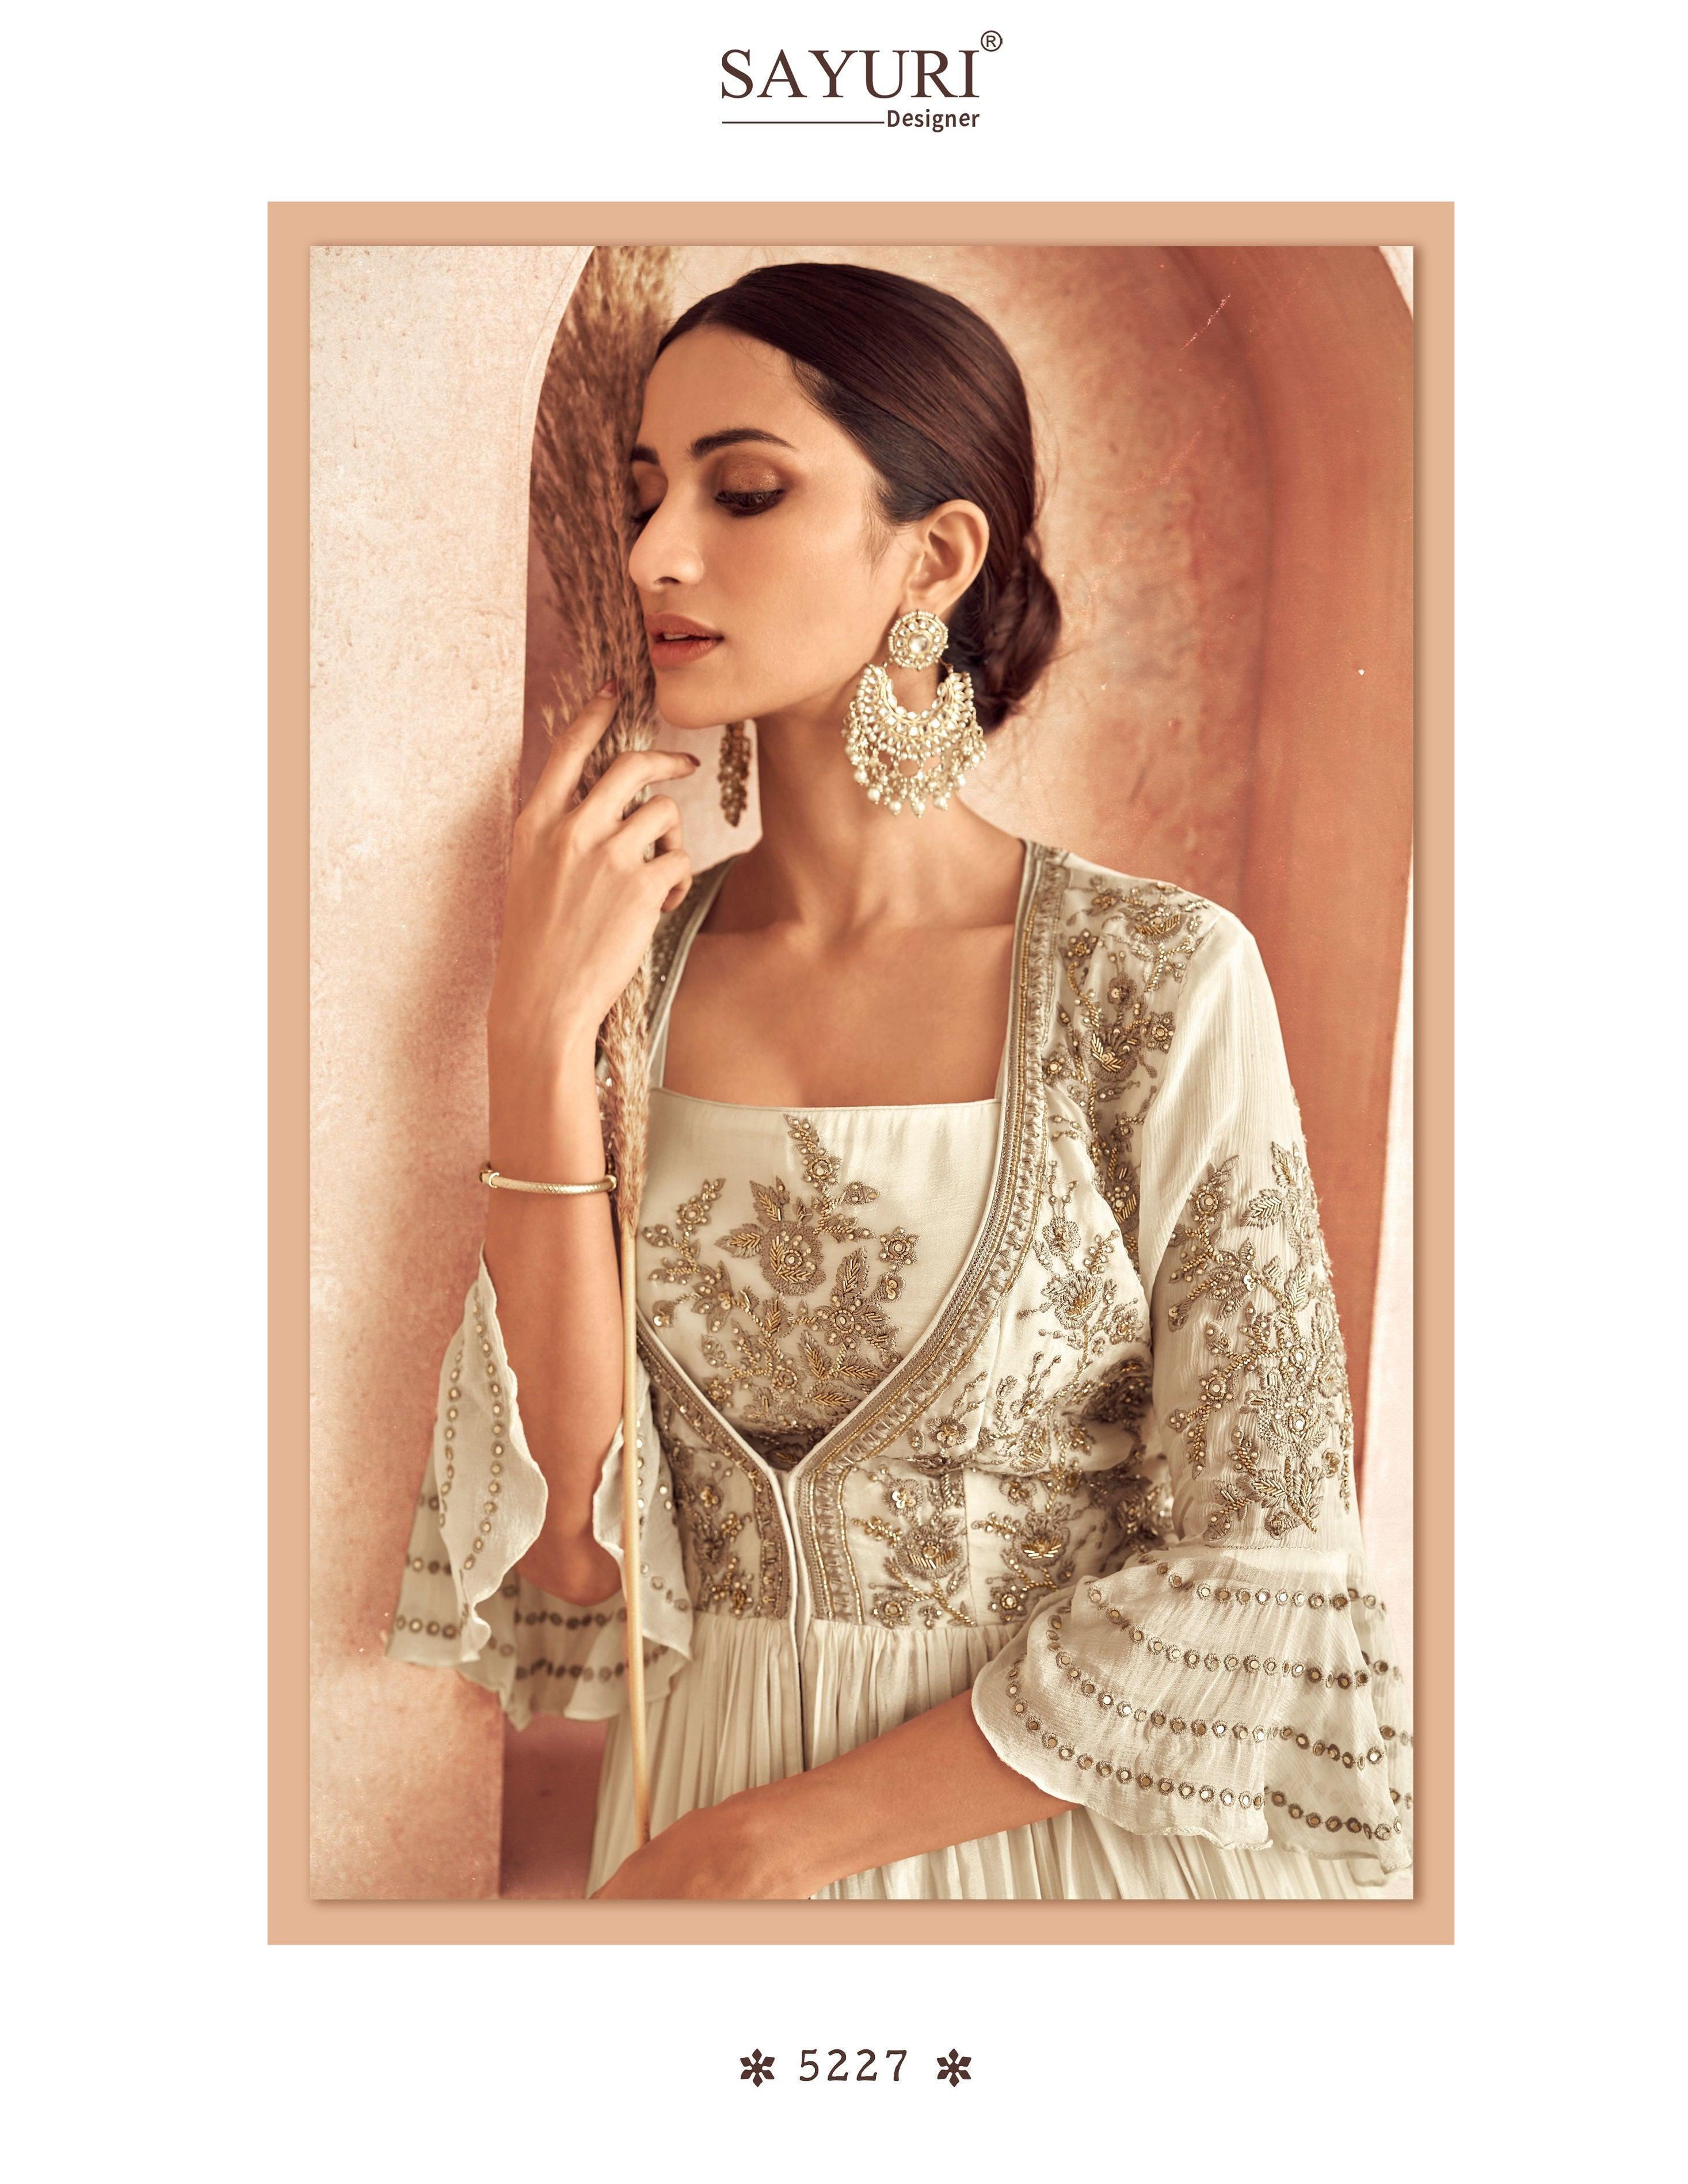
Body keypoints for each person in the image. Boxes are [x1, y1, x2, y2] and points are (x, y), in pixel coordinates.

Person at [385, 261, 1413, 1900]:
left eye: (743, 492)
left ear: (934, 556)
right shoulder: (627, 991)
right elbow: (575, 1557)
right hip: (691, 1846)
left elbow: (1270, 1562)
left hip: (1052, 1867)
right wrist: (534, 1038)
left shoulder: (1152, 982)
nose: (655, 553)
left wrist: (762, 1847)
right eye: (644, 496)